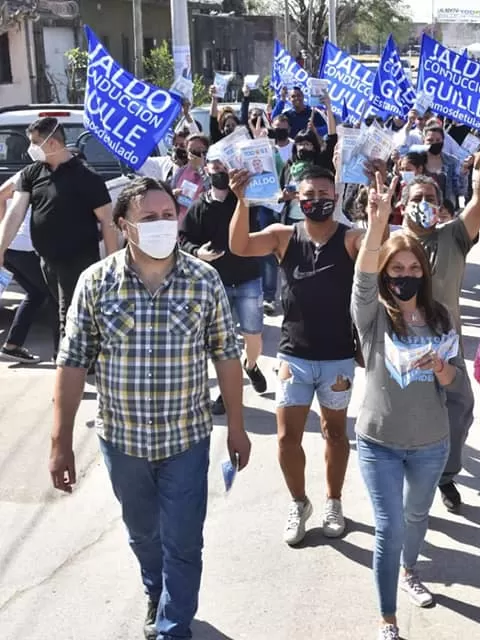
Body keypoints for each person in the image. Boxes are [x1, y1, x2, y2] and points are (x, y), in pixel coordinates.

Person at [50, 176, 251, 640]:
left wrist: (237, 428)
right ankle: (155, 589)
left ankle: (172, 627)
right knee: (144, 535)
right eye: (149, 218)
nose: (163, 224)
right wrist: (60, 443)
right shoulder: (96, 283)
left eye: (168, 215)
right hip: (123, 441)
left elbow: (225, 355)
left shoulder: (204, 280)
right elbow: (72, 361)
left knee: (183, 541)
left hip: (186, 438)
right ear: (124, 226)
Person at [352, 174, 468, 640]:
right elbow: (362, 281)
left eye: (411, 269)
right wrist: (377, 226)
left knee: (416, 518)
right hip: (378, 442)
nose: (404, 277)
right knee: (390, 527)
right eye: (394, 270)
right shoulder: (374, 315)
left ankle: (409, 570)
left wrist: (442, 369)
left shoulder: (440, 317)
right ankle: (388, 619)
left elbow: (455, 380)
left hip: (429, 444)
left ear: (423, 270)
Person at [229, 165, 365, 545]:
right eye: (309, 196)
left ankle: (333, 502)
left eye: (325, 195)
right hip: (294, 356)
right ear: (296, 199)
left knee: (335, 434)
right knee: (287, 438)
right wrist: (241, 201)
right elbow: (240, 246)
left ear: (336, 198)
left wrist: (381, 205)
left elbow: (381, 252)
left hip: (338, 357)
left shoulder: (352, 239)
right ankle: (298, 502)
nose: (317, 201)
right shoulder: (282, 236)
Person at [400, 115, 480, 513]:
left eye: (430, 199)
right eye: (416, 199)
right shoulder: (391, 244)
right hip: (404, 346)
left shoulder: (453, 237)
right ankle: (412, 480)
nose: (424, 205)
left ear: (440, 208)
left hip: (448, 344)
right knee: (409, 417)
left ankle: (446, 475)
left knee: (459, 410)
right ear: (403, 205)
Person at [0, 117, 117, 354]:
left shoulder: (87, 178)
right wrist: (1, 248)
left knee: (70, 313)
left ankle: (69, 368)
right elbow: (14, 213)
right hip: (46, 260)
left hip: (77, 260)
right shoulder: (32, 173)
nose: (30, 148)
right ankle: (65, 359)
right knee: (57, 310)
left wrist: (113, 263)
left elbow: (108, 222)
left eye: (35, 143)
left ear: (52, 144)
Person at [179, 157, 269, 413]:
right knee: (223, 342)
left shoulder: (243, 201)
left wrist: (244, 195)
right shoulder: (199, 206)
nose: (219, 172)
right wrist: (198, 253)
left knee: (254, 336)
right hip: (215, 283)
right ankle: (225, 392)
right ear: (206, 169)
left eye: (223, 167)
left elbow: (256, 230)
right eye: (215, 167)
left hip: (248, 277)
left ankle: (250, 366)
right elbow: (184, 239)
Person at [0, 172, 48, 363]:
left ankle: (12, 346)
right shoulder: (41, 174)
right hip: (22, 248)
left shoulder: (23, 175)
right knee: (52, 295)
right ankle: (64, 355)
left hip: (11, 247)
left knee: (37, 294)